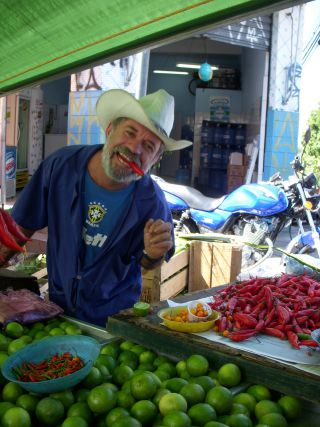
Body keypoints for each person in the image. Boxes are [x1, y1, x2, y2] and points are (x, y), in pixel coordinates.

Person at [2, 89, 192, 326]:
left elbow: (148, 263)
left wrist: (153, 254)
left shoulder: (152, 204)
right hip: (57, 312)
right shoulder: (60, 167)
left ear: (155, 159)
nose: (134, 149)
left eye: (149, 146)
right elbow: (19, 228)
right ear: (110, 129)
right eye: (130, 133)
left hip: (113, 320)